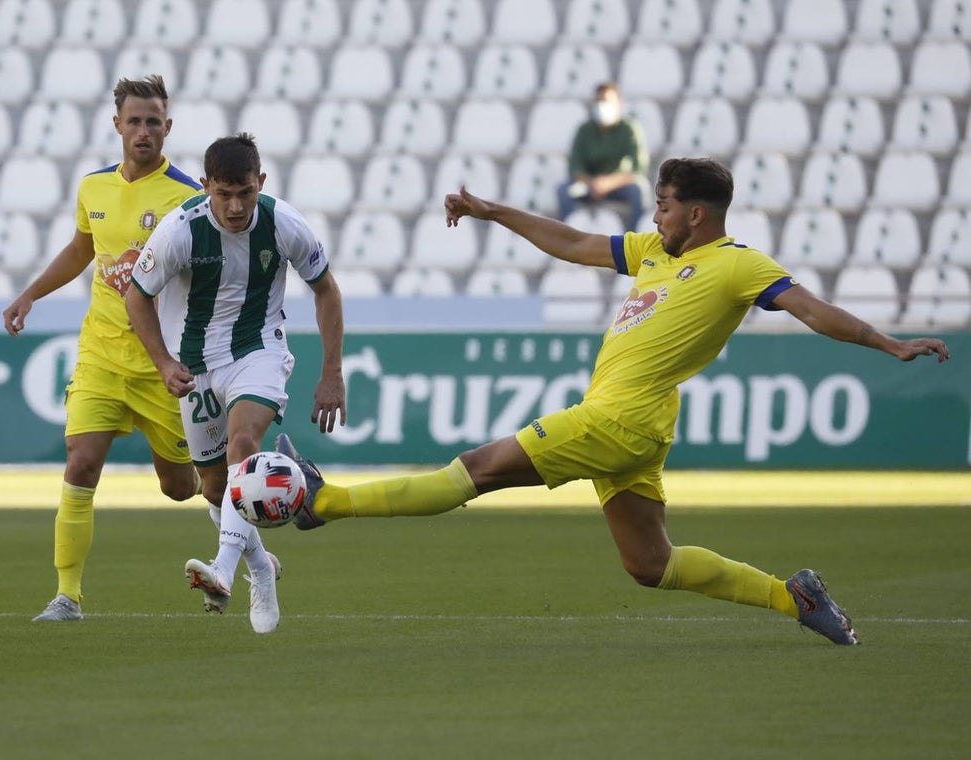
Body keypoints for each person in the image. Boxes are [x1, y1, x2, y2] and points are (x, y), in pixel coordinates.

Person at [274, 157, 952, 647]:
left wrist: (888, 345)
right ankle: (793, 594)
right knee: (650, 565)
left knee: (476, 469)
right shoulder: (657, 248)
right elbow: (572, 242)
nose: (653, 215)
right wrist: (492, 211)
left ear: (696, 212)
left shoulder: (739, 264)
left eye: (662, 203)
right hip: (633, 424)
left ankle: (322, 502)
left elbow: (811, 310)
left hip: (617, 420)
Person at [3, 76, 284, 632]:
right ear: (117, 126)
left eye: (154, 121)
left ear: (168, 128)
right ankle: (67, 595)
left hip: (168, 366)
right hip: (102, 357)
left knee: (186, 487)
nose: (143, 131)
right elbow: (83, 250)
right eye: (134, 121)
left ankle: (253, 553)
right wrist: (30, 292)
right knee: (81, 465)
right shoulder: (93, 189)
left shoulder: (189, 196)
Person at [126, 133, 346, 633]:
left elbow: (326, 291)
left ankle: (224, 572)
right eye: (222, 193)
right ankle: (260, 567)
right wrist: (163, 363)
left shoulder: (282, 223)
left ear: (260, 183)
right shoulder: (179, 230)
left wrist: (332, 372)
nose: (234, 206)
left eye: (245, 192)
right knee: (215, 488)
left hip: (258, 350)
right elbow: (137, 297)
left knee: (243, 442)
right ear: (205, 187)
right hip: (195, 365)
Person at [557, 82, 649, 232]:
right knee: (564, 190)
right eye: (598, 101)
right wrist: (592, 183)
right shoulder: (584, 130)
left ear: (618, 104)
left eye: (606, 101)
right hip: (587, 186)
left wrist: (608, 183)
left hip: (618, 186)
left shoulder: (629, 129)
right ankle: (567, 236)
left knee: (638, 190)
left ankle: (634, 238)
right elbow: (574, 166)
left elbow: (638, 168)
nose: (601, 105)